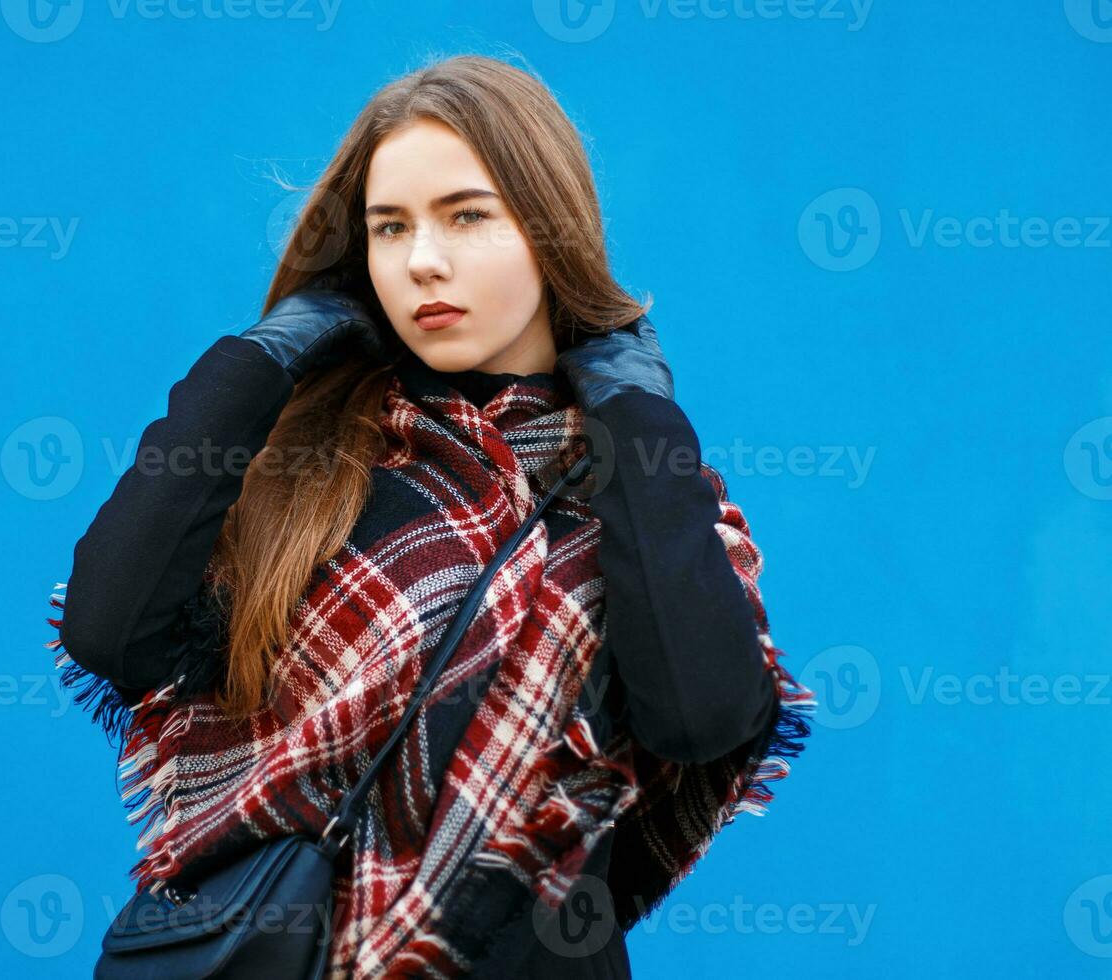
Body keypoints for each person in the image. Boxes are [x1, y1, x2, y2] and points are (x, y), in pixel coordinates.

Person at [44, 55, 813, 980]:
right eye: (388, 227)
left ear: (549, 228)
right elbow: (109, 631)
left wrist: (633, 412)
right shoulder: (309, 462)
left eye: (467, 215)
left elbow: (702, 716)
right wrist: (264, 357)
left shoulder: (642, 490)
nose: (421, 261)